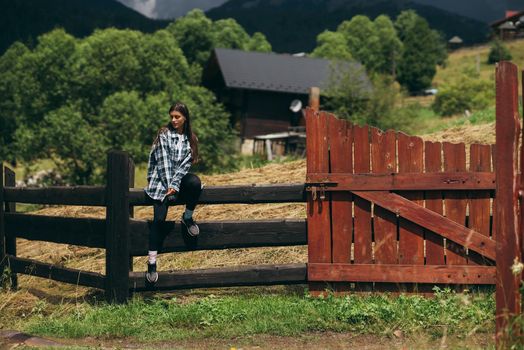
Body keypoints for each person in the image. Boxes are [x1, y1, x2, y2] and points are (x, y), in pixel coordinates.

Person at [143, 102, 202, 283]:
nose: (174, 120)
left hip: (175, 182)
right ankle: (151, 263)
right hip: (161, 181)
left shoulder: (190, 138)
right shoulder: (164, 135)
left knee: (194, 182)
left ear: (185, 118)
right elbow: (163, 163)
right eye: (172, 117)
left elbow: (185, 165)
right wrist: (169, 186)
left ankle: (188, 217)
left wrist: (175, 185)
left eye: (177, 117)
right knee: (158, 221)